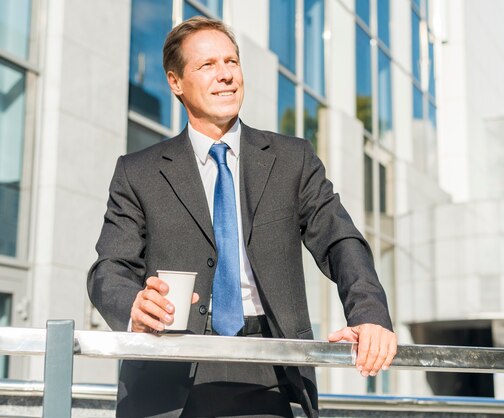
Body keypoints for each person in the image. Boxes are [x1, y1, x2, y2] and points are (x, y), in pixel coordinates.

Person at [87, 16, 396, 418]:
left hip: (270, 368)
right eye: (208, 65)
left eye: (231, 62)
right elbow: (108, 268)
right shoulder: (138, 172)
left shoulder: (292, 159)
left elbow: (340, 239)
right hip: (169, 373)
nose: (226, 76)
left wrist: (369, 314)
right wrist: (134, 305)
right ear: (175, 82)